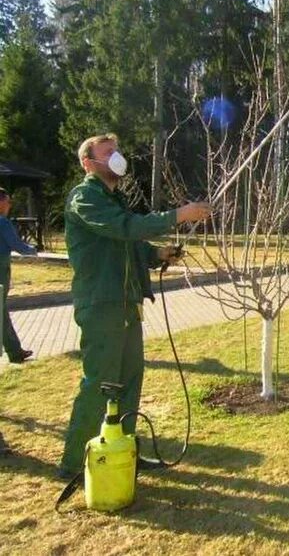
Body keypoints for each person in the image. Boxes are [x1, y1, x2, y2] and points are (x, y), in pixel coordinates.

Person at [58, 133, 211, 478]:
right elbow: (124, 228)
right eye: (108, 152)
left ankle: (123, 450)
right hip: (101, 305)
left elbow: (129, 245)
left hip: (127, 304)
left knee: (129, 380)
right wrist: (178, 215)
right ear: (89, 162)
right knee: (100, 382)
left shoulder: (113, 198)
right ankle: (73, 465)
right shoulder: (85, 198)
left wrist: (157, 253)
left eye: (117, 150)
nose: (117, 156)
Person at [0, 188, 37, 364]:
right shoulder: (3, 223)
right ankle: (14, 352)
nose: (10, 205)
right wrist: (33, 250)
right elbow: (17, 245)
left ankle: (15, 351)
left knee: (2, 311)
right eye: (8, 201)